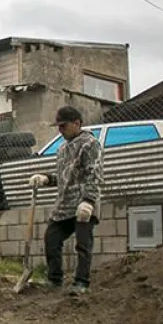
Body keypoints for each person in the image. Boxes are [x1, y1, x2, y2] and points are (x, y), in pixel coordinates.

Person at [28, 106, 103, 295]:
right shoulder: (62, 149)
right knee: (51, 239)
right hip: (63, 206)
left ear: (76, 123)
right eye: (58, 126)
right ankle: (55, 280)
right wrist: (46, 178)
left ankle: (81, 283)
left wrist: (89, 201)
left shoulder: (90, 144)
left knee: (83, 244)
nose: (60, 130)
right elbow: (63, 177)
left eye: (63, 126)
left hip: (83, 204)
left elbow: (94, 173)